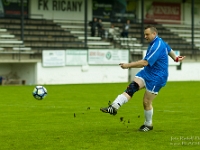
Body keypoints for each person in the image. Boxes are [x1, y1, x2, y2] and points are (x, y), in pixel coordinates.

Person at [100, 25, 186, 132]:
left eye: (147, 34)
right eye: (144, 34)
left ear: (154, 34)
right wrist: (176, 58)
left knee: (146, 102)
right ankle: (114, 107)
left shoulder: (157, 45)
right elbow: (169, 50)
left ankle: (148, 124)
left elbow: (145, 63)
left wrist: (127, 65)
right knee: (131, 88)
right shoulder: (159, 42)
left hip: (157, 77)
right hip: (147, 72)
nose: (145, 36)